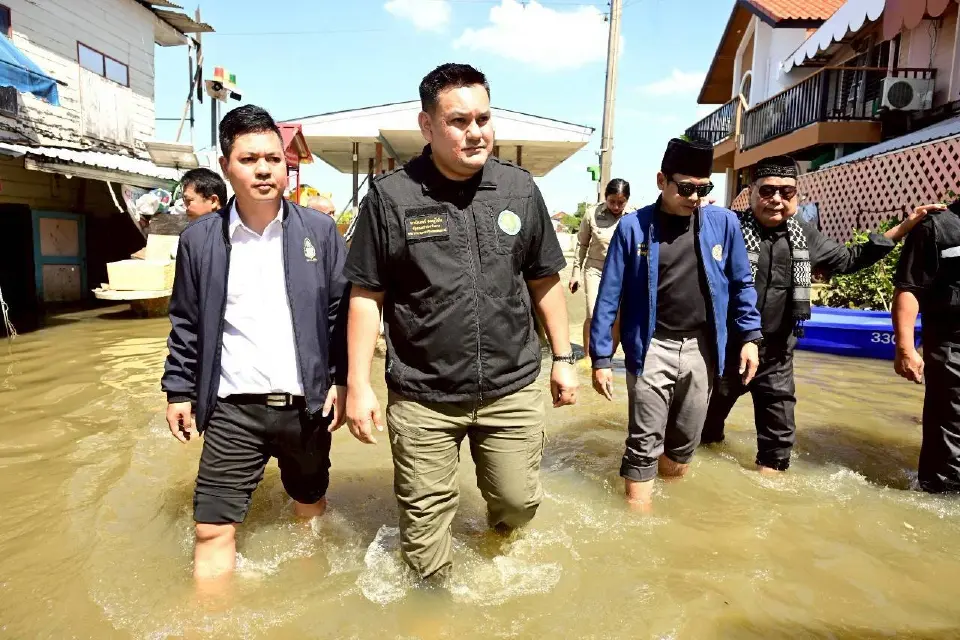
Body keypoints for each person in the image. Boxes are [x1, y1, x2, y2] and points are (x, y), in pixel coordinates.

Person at [342, 63, 578, 582]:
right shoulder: (392, 197)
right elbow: (365, 294)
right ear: (427, 126)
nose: (475, 132)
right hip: (424, 395)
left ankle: (496, 554)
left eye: (484, 118)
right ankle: (436, 611)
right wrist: (357, 385)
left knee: (517, 505)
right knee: (423, 542)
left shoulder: (519, 190)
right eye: (458, 121)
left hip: (511, 386)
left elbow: (544, 280)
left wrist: (563, 358)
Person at [160, 104, 350, 583]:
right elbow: (185, 321)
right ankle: (210, 625)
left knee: (309, 508)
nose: (264, 169)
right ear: (226, 166)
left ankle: (306, 598)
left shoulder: (320, 232)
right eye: (248, 159)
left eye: (272, 157)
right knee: (210, 529)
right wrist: (178, 389)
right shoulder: (199, 241)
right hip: (231, 410)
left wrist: (342, 382)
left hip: (306, 407)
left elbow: (339, 315)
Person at [701, 154, 935, 474]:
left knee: (777, 448)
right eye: (768, 191)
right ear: (752, 191)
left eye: (787, 193)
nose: (777, 200)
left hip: (777, 357)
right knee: (703, 434)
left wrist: (906, 226)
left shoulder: (804, 235)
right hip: (725, 352)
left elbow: (851, 258)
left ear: (798, 196)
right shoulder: (727, 228)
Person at [590, 138, 762, 509]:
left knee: (684, 444)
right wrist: (602, 358)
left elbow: (741, 283)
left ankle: (669, 515)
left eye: (704, 189)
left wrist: (749, 337)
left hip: (702, 349)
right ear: (661, 181)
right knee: (643, 441)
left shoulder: (725, 224)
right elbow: (609, 296)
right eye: (685, 188)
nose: (695, 197)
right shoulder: (634, 228)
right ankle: (638, 527)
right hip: (651, 346)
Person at [893, 198, 957, 493]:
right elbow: (909, 288)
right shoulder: (937, 226)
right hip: (951, 347)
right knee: (950, 431)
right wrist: (905, 347)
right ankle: (940, 495)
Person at [569, 178, 630, 356]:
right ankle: (588, 357)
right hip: (595, 270)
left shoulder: (634, 216)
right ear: (605, 197)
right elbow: (582, 245)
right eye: (612, 201)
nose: (616, 207)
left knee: (616, 317)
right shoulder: (591, 214)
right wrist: (575, 274)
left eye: (621, 202)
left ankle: (605, 358)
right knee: (594, 314)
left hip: (621, 273)